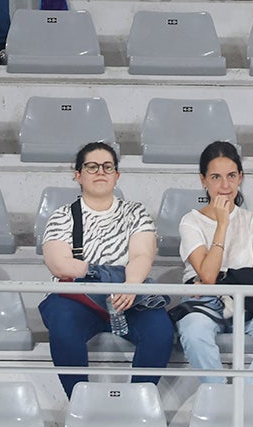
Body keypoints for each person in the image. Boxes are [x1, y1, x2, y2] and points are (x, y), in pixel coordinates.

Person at [38, 142, 174, 397]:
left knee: (161, 331)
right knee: (63, 326)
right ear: (78, 174)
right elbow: (58, 262)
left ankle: (137, 402)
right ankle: (80, 403)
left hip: (129, 295)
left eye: (107, 167)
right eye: (92, 166)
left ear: (117, 175)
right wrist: (104, 277)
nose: (100, 171)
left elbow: (143, 254)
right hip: (79, 299)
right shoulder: (62, 216)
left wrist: (130, 285)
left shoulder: (136, 212)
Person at [175, 141, 253, 383]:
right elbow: (208, 276)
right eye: (216, 177)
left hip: (245, 299)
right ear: (203, 180)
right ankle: (219, 397)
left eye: (231, 176)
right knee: (193, 331)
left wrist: (224, 283)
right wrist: (222, 224)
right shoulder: (191, 221)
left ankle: (246, 400)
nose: (225, 185)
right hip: (204, 300)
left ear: (240, 177)